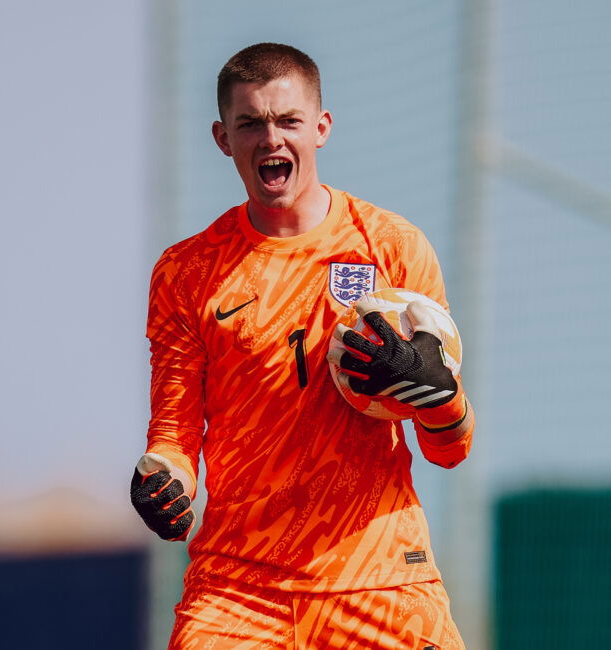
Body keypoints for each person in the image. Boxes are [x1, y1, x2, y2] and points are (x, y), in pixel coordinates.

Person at [130, 42, 475, 649]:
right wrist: (164, 486)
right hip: (238, 591)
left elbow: (451, 449)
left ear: (321, 128)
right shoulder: (186, 272)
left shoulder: (392, 246)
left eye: (288, 121)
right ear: (222, 138)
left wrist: (436, 391)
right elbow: (173, 436)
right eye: (250, 124)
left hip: (381, 579)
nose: (271, 139)